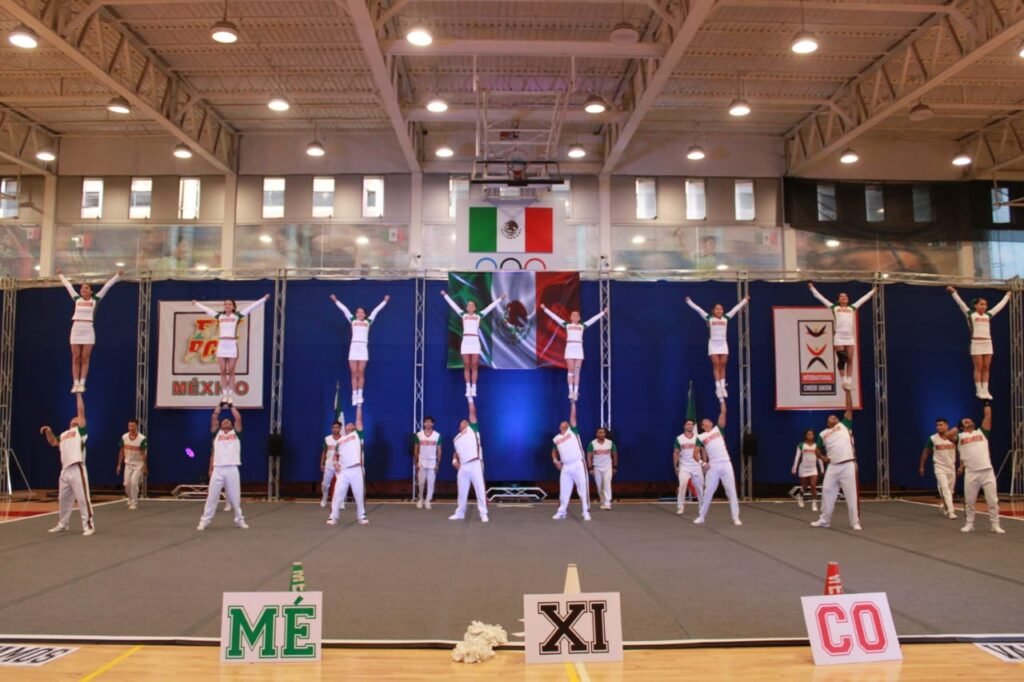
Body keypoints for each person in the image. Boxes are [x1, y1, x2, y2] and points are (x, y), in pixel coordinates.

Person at [192, 295, 271, 404]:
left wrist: (263, 299)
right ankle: (225, 395)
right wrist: (196, 303)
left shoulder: (237, 316)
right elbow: (208, 310)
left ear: (233, 307)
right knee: (222, 371)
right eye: (225, 304)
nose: (227, 306)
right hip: (222, 345)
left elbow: (251, 307)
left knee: (231, 371)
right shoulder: (219, 316)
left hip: (232, 345)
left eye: (229, 304)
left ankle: (230, 395)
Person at [941, 404, 1005, 534]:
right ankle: (969, 524)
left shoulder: (981, 432)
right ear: (962, 426)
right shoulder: (960, 437)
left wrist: (986, 402)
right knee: (969, 501)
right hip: (971, 472)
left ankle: (995, 524)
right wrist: (958, 426)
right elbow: (947, 435)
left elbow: (988, 416)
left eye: (969, 420)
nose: (968, 421)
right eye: (965, 420)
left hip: (987, 471)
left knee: (993, 500)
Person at [58, 268, 122, 393]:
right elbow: (68, 286)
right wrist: (60, 274)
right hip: (76, 328)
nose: (83, 290)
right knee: (76, 357)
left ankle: (82, 383)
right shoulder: (77, 299)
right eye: (82, 288)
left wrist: (117, 276)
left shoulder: (95, 300)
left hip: (88, 329)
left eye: (86, 288)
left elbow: (107, 286)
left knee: (85, 357)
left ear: (91, 291)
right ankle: (75, 383)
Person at [39, 394, 95, 535]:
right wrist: (49, 431)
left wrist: (78, 395)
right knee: (63, 499)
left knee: (82, 498)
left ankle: (88, 525)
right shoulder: (64, 435)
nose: (75, 419)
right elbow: (53, 442)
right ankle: (63, 523)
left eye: (77, 419)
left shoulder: (80, 432)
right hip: (65, 470)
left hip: (77, 467)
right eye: (73, 419)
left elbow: (81, 411)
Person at [807, 283, 876, 391]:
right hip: (839, 337)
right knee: (842, 358)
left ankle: (849, 381)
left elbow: (863, 299)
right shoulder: (834, 308)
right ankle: (844, 380)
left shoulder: (852, 308)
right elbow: (820, 297)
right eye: (841, 296)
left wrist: (873, 291)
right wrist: (812, 288)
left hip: (849, 337)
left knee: (850, 360)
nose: (844, 297)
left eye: (845, 296)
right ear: (838, 300)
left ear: (848, 299)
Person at [946, 287, 1011, 399]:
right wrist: (954, 293)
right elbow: (961, 303)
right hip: (976, 343)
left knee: (986, 367)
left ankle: (986, 390)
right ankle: (979, 390)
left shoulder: (988, 315)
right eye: (981, 304)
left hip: (988, 343)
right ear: (975, 305)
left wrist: (1007, 296)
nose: (984, 306)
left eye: (985, 304)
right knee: (978, 367)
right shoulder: (970, 314)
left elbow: (999, 306)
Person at [811, 387, 861, 531]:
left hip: (848, 464)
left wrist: (847, 392)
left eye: (835, 417)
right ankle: (824, 520)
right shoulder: (823, 434)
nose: (834, 417)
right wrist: (822, 457)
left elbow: (849, 407)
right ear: (827, 423)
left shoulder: (844, 425)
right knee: (827, 491)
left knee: (851, 495)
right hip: (833, 466)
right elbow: (817, 449)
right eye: (831, 417)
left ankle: (855, 522)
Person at [441, 289, 504, 399]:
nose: (470, 306)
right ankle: (468, 387)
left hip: (475, 341)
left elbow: (490, 307)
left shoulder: (479, 315)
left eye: (472, 305)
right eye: (469, 305)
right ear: (466, 308)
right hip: (466, 341)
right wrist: (445, 295)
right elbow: (453, 305)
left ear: (475, 308)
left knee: (474, 365)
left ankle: (474, 388)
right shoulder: (463, 315)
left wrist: (500, 299)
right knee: (466, 365)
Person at [329, 293, 389, 406]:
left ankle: (360, 394)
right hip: (354, 348)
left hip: (363, 348)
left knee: (361, 372)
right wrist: (335, 300)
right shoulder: (352, 320)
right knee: (353, 373)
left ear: (365, 314)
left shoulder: (368, 322)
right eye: (358, 312)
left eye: (362, 312)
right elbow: (345, 310)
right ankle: (354, 394)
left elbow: (376, 311)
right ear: (356, 314)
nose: (360, 314)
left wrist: (384, 301)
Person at [685, 295, 750, 399]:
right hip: (713, 344)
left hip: (723, 344)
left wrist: (745, 300)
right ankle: (718, 387)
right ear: (713, 311)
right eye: (717, 309)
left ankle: (723, 386)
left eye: (721, 309)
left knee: (723, 365)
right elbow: (699, 310)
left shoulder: (726, 318)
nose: (719, 310)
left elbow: (736, 309)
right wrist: (689, 302)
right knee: (716, 365)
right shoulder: (709, 318)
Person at [540, 304, 607, 401]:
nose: (575, 316)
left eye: (577, 315)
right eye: (573, 315)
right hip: (570, 349)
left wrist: (603, 313)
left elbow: (593, 319)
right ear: (570, 317)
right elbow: (555, 317)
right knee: (570, 370)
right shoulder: (567, 325)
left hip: (579, 349)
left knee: (577, 371)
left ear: (579, 318)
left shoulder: (582, 326)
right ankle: (570, 392)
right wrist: (545, 309)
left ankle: (576, 392)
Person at [197, 404, 249, 530]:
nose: (225, 421)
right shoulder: (216, 433)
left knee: (235, 497)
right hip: (218, 468)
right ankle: (204, 521)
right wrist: (220, 406)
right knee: (212, 496)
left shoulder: (236, 433)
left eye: (228, 421)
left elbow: (238, 418)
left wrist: (231, 406)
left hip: (232, 468)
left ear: (231, 425)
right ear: (220, 425)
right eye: (223, 421)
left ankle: (239, 520)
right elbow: (214, 417)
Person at [693, 400, 741, 526]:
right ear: (702, 426)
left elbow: (723, 412)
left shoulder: (718, 429)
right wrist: (703, 463)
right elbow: (695, 454)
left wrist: (721, 399)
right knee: (708, 491)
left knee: (731, 490)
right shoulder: (700, 437)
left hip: (725, 463)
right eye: (705, 421)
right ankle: (701, 516)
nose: (708, 422)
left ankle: (735, 517)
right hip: (713, 465)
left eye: (709, 421)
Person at [327, 404, 369, 526]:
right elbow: (335, 455)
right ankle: (333, 517)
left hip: (356, 469)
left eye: (352, 425)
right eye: (348, 424)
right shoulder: (339, 441)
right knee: (337, 495)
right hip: (343, 471)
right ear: (344, 428)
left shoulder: (357, 435)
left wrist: (359, 405)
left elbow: (358, 419)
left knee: (359, 495)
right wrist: (335, 463)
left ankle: (361, 516)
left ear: (355, 428)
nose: (350, 425)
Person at [449, 401, 489, 522]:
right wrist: (454, 461)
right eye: (463, 422)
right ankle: (460, 513)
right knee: (462, 491)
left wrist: (470, 399)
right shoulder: (456, 439)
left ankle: (483, 513)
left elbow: (472, 412)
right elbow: (456, 452)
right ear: (459, 427)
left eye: (466, 422)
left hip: (475, 463)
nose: (465, 422)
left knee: (480, 489)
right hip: (463, 466)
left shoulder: (473, 430)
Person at [551, 402, 591, 521]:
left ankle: (585, 512)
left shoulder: (572, 431)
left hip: (578, 464)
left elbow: (573, 417)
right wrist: (555, 460)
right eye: (562, 423)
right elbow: (553, 451)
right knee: (564, 490)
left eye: (567, 422)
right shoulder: (557, 438)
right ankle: (562, 512)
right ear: (560, 427)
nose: (565, 423)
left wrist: (573, 403)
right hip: (566, 466)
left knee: (582, 489)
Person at [919, 418, 958, 520]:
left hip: (951, 467)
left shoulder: (954, 438)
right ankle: (951, 511)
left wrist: (962, 465)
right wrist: (922, 466)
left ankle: (945, 506)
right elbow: (926, 452)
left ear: (947, 426)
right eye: (937, 425)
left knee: (950, 491)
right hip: (939, 467)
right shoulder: (933, 438)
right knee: (945, 489)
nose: (938, 427)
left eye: (941, 425)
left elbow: (961, 450)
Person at [673, 419, 704, 516]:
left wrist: (704, 463)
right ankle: (680, 507)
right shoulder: (679, 438)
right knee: (682, 486)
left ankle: (702, 508)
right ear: (684, 426)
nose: (690, 426)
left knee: (699, 487)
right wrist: (676, 466)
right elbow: (676, 452)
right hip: (684, 466)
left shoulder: (698, 437)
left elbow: (703, 450)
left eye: (692, 425)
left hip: (696, 465)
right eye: (688, 424)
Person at [116, 419, 148, 510]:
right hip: (128, 464)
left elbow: (144, 454)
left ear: (137, 426)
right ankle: (130, 498)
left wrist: (145, 467)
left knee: (134, 483)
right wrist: (119, 465)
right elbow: (121, 451)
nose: (131, 428)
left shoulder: (142, 439)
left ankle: (134, 502)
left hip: (138, 464)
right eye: (129, 426)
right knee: (127, 484)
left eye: (133, 426)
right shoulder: (124, 437)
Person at [791, 429, 823, 512]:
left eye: (812, 434)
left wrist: (822, 469)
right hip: (803, 469)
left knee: (813, 485)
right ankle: (800, 497)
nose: (810, 436)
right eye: (809, 434)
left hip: (813, 469)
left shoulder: (816, 445)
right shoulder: (801, 445)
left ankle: (814, 503)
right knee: (804, 487)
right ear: (805, 435)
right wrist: (794, 467)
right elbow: (797, 457)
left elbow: (819, 458)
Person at [414, 416, 442, 510]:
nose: (428, 423)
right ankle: (420, 499)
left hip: (432, 462)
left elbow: (439, 450)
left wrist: (437, 463)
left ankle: (428, 501)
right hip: (421, 461)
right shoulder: (419, 435)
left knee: (431, 483)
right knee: (421, 482)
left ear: (433, 424)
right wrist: (416, 462)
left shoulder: (437, 435)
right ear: (424, 423)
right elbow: (416, 449)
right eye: (426, 422)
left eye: (430, 422)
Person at [587, 427, 617, 510]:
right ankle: (603, 501)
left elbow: (615, 455)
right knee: (599, 486)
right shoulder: (592, 444)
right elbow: (589, 456)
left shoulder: (610, 443)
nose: (601, 434)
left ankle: (607, 503)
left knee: (607, 484)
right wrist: (590, 468)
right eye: (599, 432)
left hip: (608, 467)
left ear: (605, 434)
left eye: (603, 432)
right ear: (596, 434)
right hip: (597, 467)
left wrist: (615, 466)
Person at [319, 421, 344, 508]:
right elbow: (324, 452)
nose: (335, 429)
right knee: (325, 484)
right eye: (333, 427)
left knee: (341, 485)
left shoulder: (344, 439)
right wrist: (322, 463)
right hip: (329, 465)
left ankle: (340, 501)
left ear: (340, 428)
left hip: (340, 466)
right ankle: (325, 497)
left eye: (337, 427)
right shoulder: (327, 439)